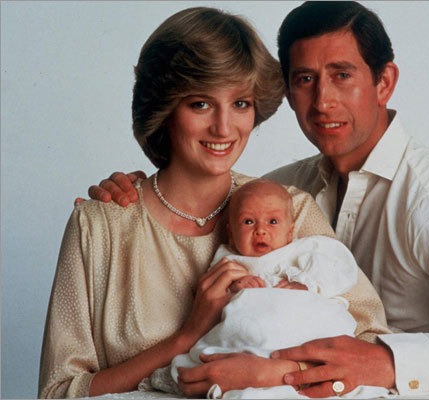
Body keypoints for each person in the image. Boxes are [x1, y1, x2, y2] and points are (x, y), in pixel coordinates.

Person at [88, 1, 429, 397]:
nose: (322, 100)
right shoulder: (285, 191)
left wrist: (389, 363)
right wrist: (133, 188)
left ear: (385, 83)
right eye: (305, 79)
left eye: (342, 75)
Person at [39, 6, 391, 399]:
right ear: (164, 108)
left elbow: (372, 348)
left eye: (240, 103)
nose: (224, 128)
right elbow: (58, 392)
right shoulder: (99, 225)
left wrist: (275, 373)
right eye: (200, 104)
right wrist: (185, 337)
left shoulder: (289, 207)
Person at [140, 179, 390, 398]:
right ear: (230, 233)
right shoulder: (228, 258)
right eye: (248, 221)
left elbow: (340, 265)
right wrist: (236, 285)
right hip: (252, 338)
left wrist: (307, 283)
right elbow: (213, 296)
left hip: (303, 323)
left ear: (290, 231)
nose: (261, 230)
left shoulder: (303, 250)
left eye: (272, 221)